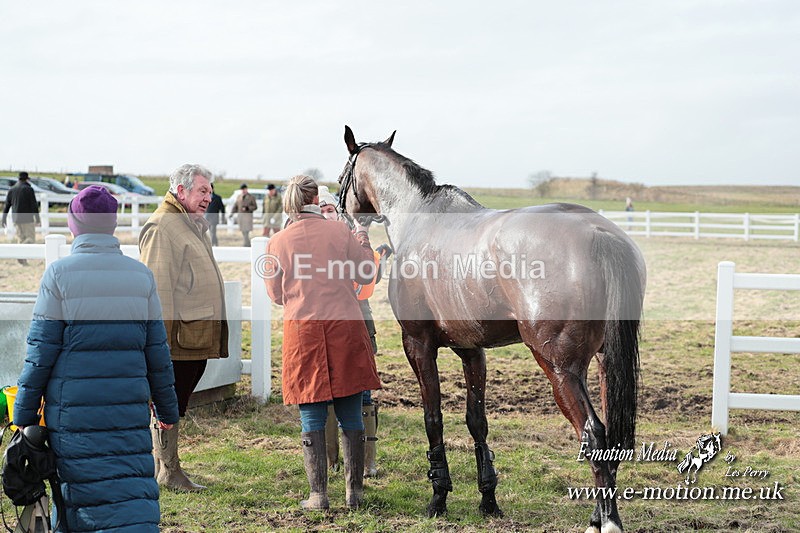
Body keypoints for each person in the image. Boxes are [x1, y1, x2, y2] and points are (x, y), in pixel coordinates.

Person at [13, 185, 179, 532]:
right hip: (127, 410)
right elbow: (157, 354)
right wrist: (167, 410)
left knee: (80, 496)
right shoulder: (141, 276)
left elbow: (40, 354)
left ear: (74, 224)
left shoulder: (58, 275)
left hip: (73, 415)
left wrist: (24, 416)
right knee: (129, 488)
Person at [264, 175, 381, 510]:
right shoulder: (339, 231)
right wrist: (361, 238)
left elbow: (274, 294)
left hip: (304, 334)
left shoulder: (278, 242)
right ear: (316, 200)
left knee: (312, 414)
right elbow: (365, 275)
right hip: (345, 328)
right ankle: (354, 493)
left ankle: (318, 495)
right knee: (351, 412)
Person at [139, 163, 229, 491]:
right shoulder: (164, 227)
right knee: (169, 401)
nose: (209, 196)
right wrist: (157, 345)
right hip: (175, 339)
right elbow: (158, 291)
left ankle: (165, 466)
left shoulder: (186, 223)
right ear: (181, 191)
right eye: (202, 190)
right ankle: (169, 471)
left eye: (210, 191)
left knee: (174, 401)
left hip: (190, 336)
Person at [317, 186, 390, 478]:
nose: (326, 215)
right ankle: (332, 460)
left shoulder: (352, 239)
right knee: (327, 393)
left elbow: (368, 277)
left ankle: (367, 462)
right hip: (326, 325)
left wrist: (377, 259)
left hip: (359, 323)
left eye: (330, 209)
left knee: (362, 394)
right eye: (320, 210)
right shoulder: (312, 243)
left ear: (339, 212)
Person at [2, 171, 40, 265]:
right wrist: (37, 218)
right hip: (27, 217)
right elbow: (33, 205)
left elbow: (7, 205)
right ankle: (20, 255)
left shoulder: (12, 189)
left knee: (21, 238)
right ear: (27, 179)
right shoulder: (29, 189)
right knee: (30, 239)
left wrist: (3, 218)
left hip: (16, 218)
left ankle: (23, 261)